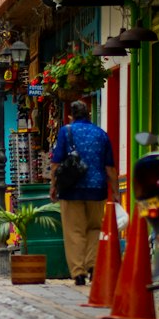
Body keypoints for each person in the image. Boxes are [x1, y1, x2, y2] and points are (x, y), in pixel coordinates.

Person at [50, 98, 119, 286]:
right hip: (97, 190)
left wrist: (53, 186)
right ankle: (93, 266)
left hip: (71, 189)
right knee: (94, 228)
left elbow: (56, 162)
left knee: (74, 231)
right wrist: (115, 191)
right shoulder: (101, 134)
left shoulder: (66, 131)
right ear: (88, 113)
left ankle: (78, 272)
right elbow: (110, 167)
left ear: (71, 115)